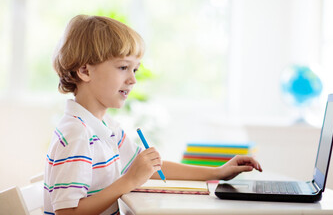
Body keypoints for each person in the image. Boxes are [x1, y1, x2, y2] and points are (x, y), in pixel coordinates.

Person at [44, 15, 262, 215]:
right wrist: (129, 180)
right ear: (85, 71)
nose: (133, 79)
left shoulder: (105, 127)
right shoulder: (76, 134)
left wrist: (218, 172)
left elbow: (151, 168)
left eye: (135, 69)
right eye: (123, 67)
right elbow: (67, 213)